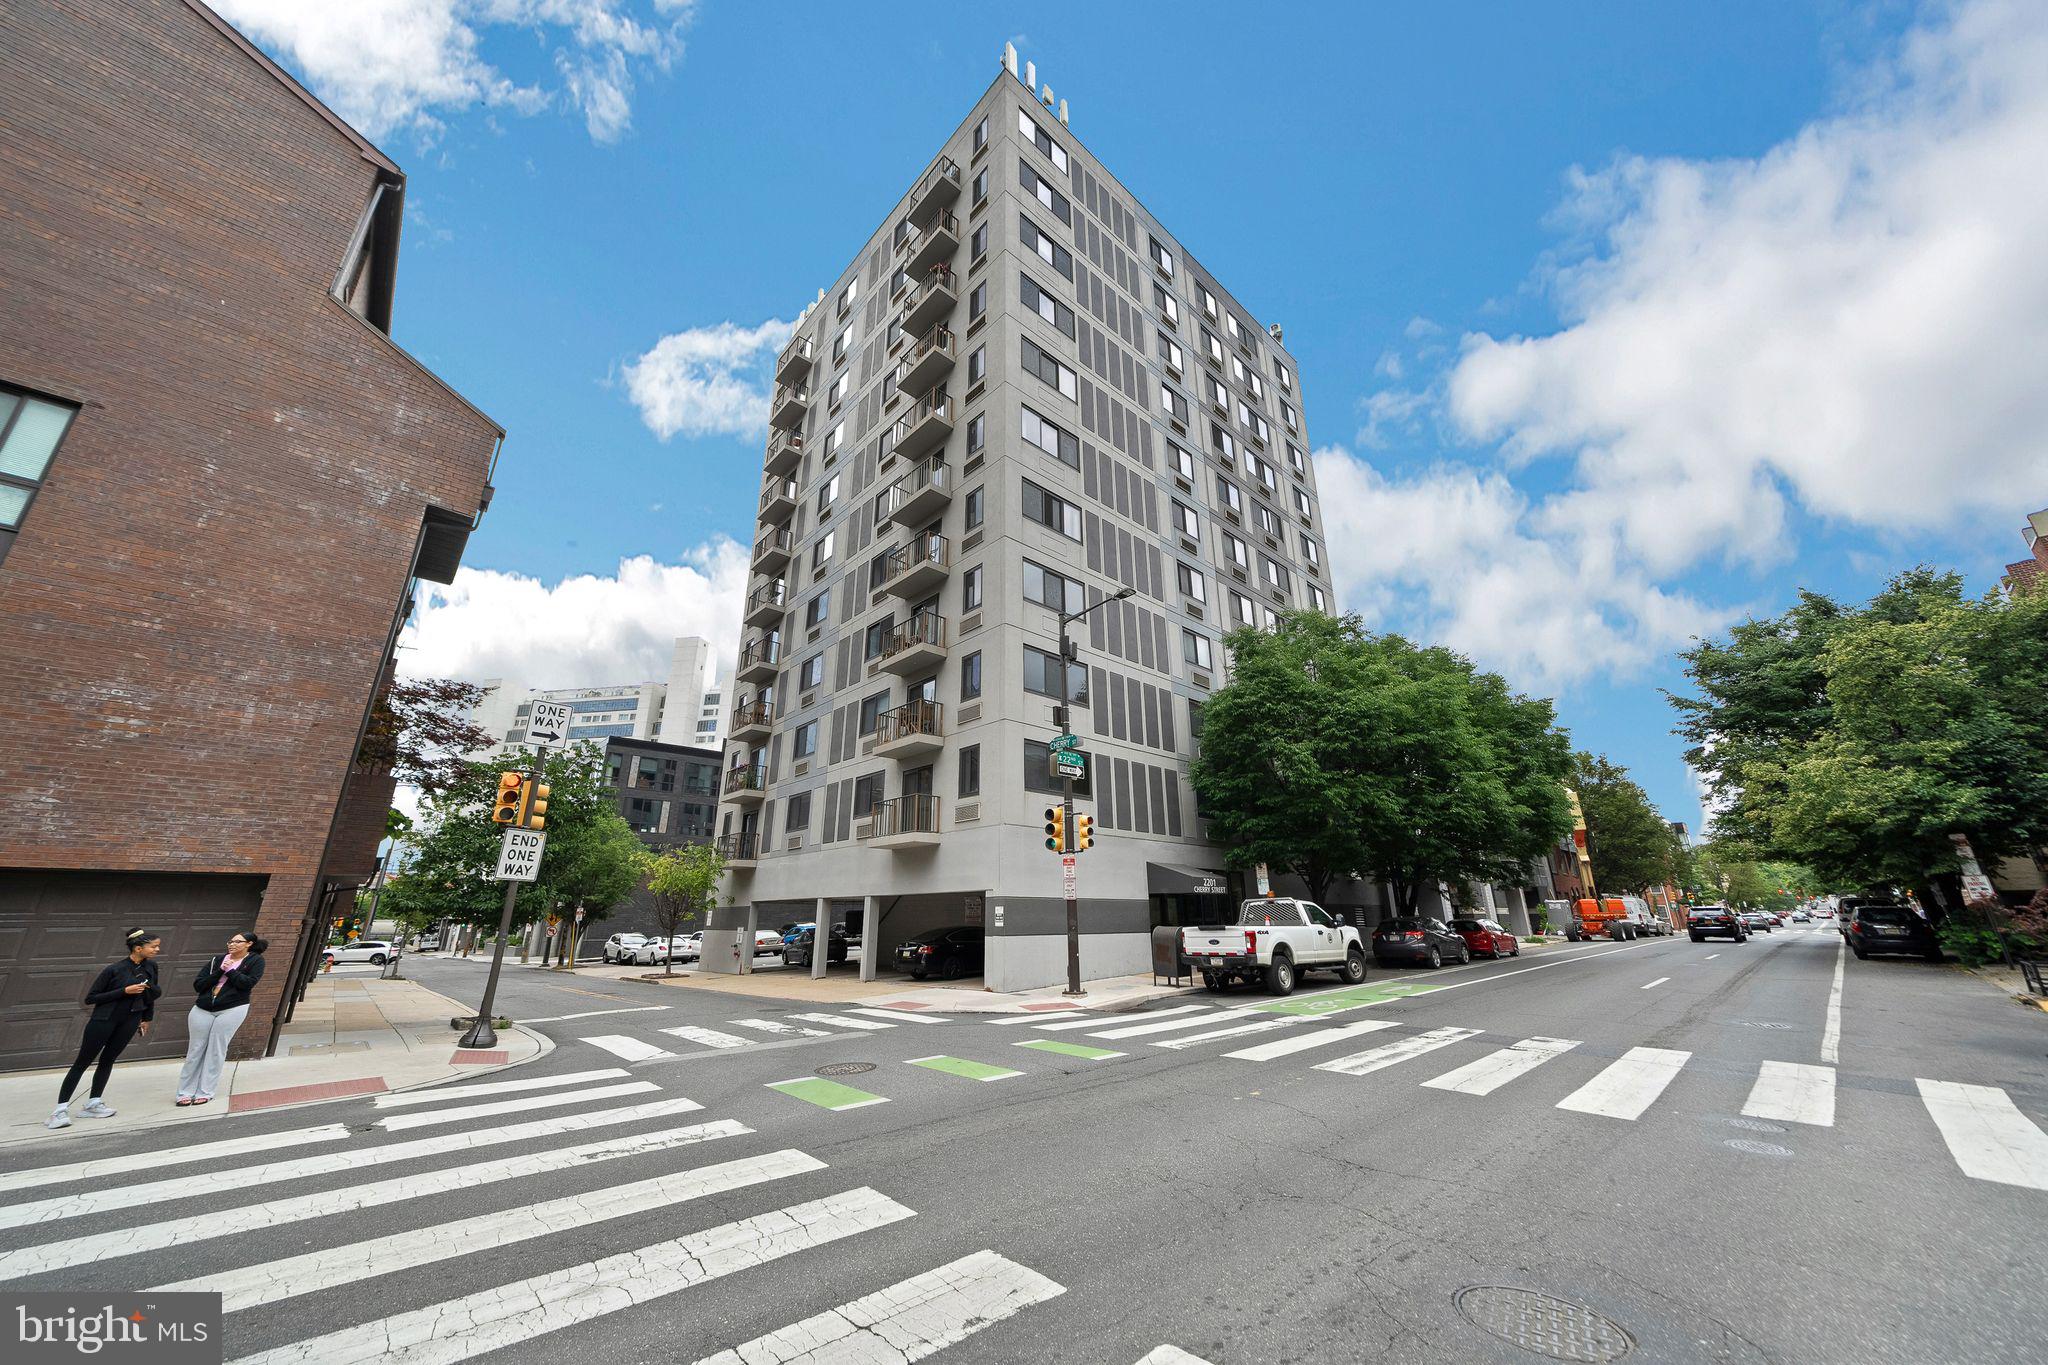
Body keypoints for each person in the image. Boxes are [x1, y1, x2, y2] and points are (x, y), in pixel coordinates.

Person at [49, 928, 162, 1130]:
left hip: (130, 1020)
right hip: (104, 1020)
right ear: (138, 948)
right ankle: (60, 1110)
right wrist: (123, 991)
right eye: (153, 946)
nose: (157, 949)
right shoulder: (114, 969)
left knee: (108, 1060)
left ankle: (93, 1103)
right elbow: (91, 998)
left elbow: (150, 995)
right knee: (82, 1062)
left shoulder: (151, 967)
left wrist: (146, 1018)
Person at [177, 931, 267, 1106]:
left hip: (233, 1008)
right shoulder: (216, 960)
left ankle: (205, 1091)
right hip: (203, 1008)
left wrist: (231, 970)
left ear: (249, 944)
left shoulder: (255, 961)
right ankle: (184, 1092)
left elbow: (247, 984)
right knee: (195, 1050)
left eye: (237, 942)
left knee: (216, 1050)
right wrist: (220, 970)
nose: (232, 944)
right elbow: (199, 985)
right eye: (230, 941)